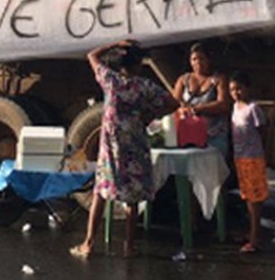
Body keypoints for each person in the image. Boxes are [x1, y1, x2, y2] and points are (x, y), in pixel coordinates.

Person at [71, 39, 178, 259]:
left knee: (101, 191)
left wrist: (113, 44)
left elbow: (92, 55)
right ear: (138, 65)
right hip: (135, 143)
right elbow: (173, 103)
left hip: (111, 146)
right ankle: (129, 246)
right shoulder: (144, 86)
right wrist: (150, 115)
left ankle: (89, 243)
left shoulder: (111, 81)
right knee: (133, 197)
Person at [229, 70, 269, 253]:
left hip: (253, 157)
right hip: (240, 157)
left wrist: (263, 154)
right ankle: (251, 232)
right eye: (232, 89)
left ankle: (255, 237)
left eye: (239, 89)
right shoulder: (236, 107)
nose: (236, 93)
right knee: (247, 196)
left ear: (247, 89)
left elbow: (263, 132)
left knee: (255, 198)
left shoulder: (253, 109)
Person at [171, 42, 231, 152]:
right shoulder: (184, 79)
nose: (198, 62)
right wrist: (182, 106)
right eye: (194, 59)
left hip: (214, 136)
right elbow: (174, 102)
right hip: (190, 135)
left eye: (201, 59)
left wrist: (196, 109)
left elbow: (223, 104)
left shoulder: (218, 79)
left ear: (209, 60)